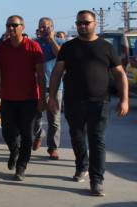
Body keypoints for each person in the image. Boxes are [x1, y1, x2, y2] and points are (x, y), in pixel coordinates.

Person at [49, 10, 129, 197]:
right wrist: (52, 97)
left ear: (95, 24)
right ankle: (81, 166)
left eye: (85, 23)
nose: (82, 26)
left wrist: (124, 99)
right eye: (78, 23)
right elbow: (57, 73)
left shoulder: (107, 48)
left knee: (97, 140)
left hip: (100, 102)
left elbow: (119, 74)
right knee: (77, 138)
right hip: (74, 101)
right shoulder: (69, 47)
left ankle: (97, 179)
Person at [0, 16, 46, 181]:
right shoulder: (1, 48)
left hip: (29, 98)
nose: (11, 28)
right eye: (8, 25)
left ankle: (21, 167)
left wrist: (42, 99)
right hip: (7, 97)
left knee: (26, 134)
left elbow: (41, 75)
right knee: (7, 132)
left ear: (22, 27)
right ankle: (14, 150)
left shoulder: (33, 47)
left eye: (14, 25)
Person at [32, 17, 66, 160]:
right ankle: (39, 134)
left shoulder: (60, 43)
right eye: (40, 27)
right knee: (36, 118)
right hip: (37, 86)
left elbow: (60, 56)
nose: (43, 30)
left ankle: (53, 147)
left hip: (55, 87)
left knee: (54, 120)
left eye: (45, 27)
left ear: (51, 28)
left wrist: (52, 39)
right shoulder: (35, 43)